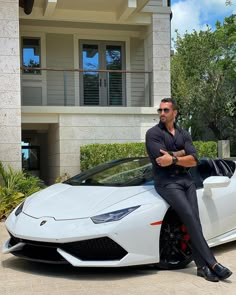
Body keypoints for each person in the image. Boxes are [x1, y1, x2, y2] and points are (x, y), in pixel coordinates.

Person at [145, 98, 232, 282]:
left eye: (166, 110)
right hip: (167, 183)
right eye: (160, 110)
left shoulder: (183, 133)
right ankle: (213, 264)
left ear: (174, 113)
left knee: (194, 221)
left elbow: (194, 159)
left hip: (187, 181)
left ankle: (202, 268)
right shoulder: (153, 134)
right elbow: (161, 161)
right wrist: (182, 153)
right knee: (190, 218)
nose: (162, 113)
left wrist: (174, 158)